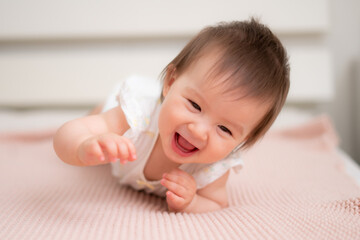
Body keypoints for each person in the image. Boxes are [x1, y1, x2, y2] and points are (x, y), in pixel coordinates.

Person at [53, 18, 290, 213]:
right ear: (171, 82)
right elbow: (67, 134)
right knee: (98, 118)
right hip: (137, 105)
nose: (199, 130)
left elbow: (217, 203)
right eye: (195, 105)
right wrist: (83, 146)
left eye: (225, 129)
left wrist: (192, 202)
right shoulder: (135, 117)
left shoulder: (213, 167)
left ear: (243, 141)